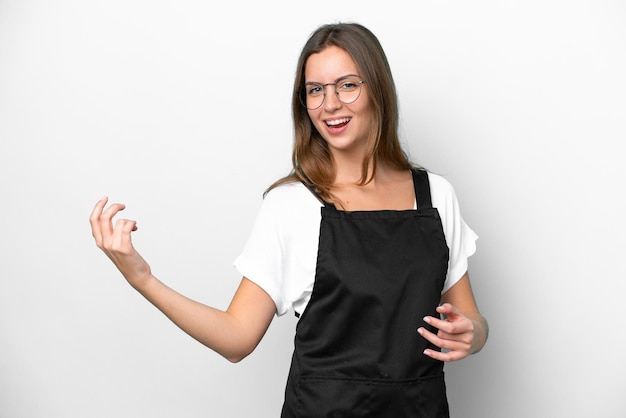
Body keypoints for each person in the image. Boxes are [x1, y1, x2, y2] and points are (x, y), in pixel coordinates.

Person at [90, 22, 488, 417]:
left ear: (378, 90)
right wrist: (141, 277)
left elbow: (471, 319)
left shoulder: (435, 196)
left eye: (347, 85)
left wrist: (471, 335)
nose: (330, 104)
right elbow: (237, 339)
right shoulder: (291, 205)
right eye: (315, 90)